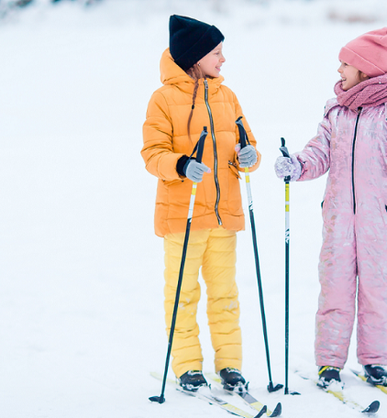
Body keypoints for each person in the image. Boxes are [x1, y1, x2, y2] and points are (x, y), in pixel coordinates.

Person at [274, 27, 387, 389]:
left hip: (376, 222)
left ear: (365, 69)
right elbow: (319, 152)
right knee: (334, 289)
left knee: (375, 292)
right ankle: (329, 362)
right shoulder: (335, 111)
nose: (339, 71)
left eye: (345, 64)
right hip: (337, 221)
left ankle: (375, 361)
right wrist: (298, 165)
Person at [141, 14, 261, 393]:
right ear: (195, 57)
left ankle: (229, 365)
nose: (223, 60)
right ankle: (188, 366)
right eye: (216, 53)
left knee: (225, 295)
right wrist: (179, 164)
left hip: (224, 218)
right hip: (184, 218)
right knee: (182, 294)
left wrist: (249, 156)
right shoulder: (162, 99)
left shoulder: (227, 96)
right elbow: (152, 154)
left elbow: (249, 143)